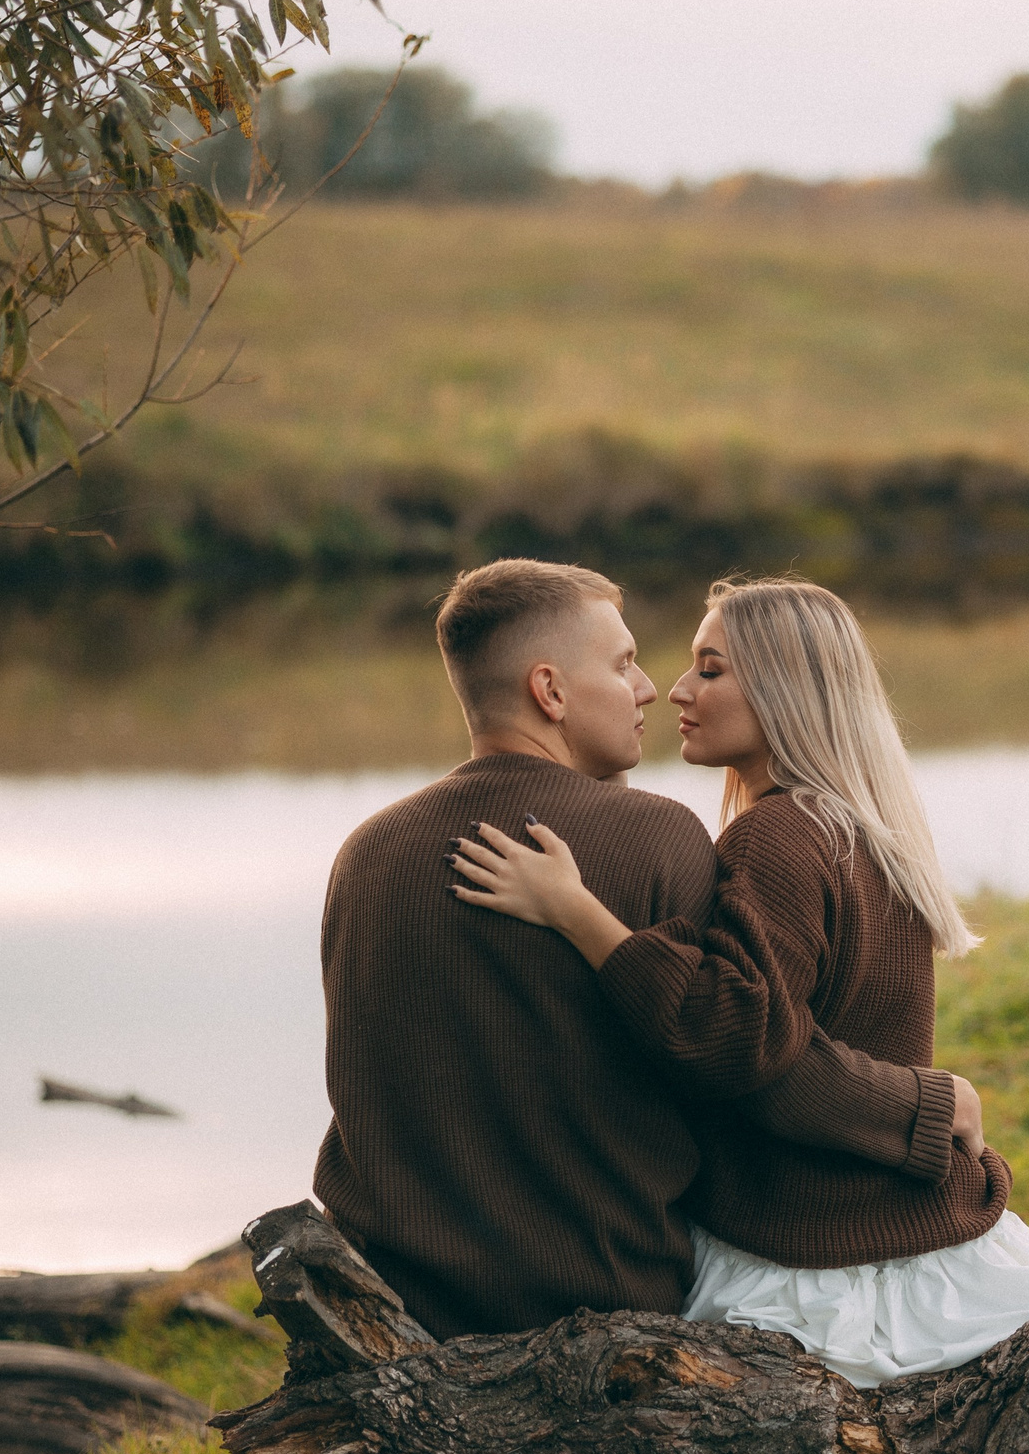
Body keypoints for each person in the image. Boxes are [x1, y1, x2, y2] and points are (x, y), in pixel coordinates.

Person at [451, 577, 1029, 1386]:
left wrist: (575, 912)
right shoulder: (854, 825)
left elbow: (737, 1040)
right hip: (909, 1234)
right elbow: (801, 1037)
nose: (675, 689)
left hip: (817, 1260)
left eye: (710, 669)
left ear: (781, 691)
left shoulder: (775, 839)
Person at [314, 558, 984, 1337]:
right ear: (551, 690)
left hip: (397, 1302)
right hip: (607, 1300)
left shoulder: (364, 852)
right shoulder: (661, 838)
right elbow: (745, 1053)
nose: (650, 688)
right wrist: (929, 1104)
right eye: (625, 662)